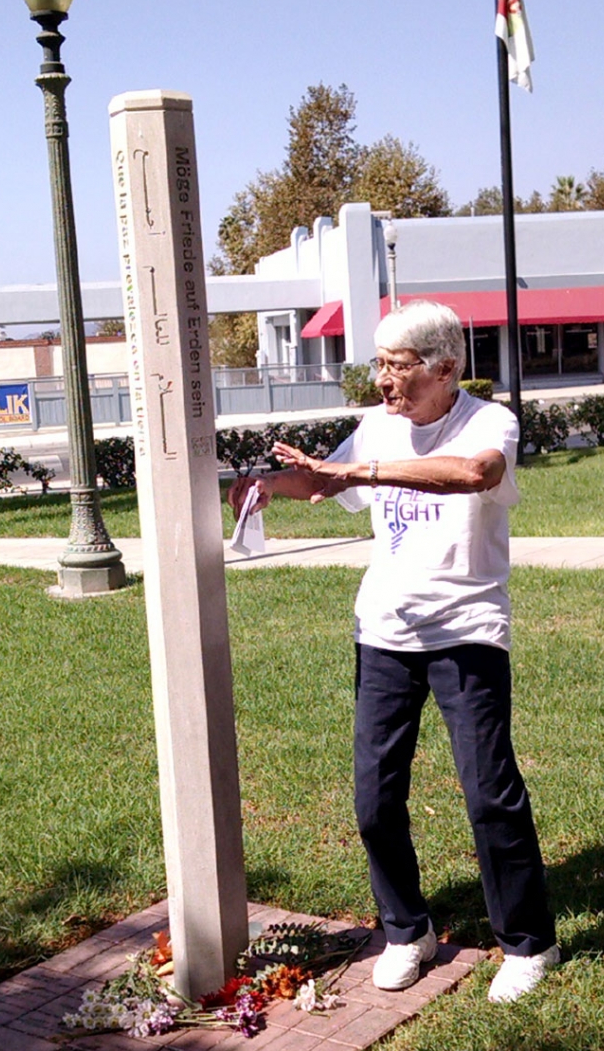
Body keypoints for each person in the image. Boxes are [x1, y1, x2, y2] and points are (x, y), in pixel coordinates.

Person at [229, 300, 559, 1003]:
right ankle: (407, 929)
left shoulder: (488, 422)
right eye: (378, 363)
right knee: (375, 798)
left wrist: (364, 473)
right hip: (383, 631)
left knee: (488, 792)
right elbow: (327, 479)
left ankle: (530, 942)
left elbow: (473, 473)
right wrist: (266, 486)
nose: (383, 379)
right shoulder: (377, 426)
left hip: (466, 629)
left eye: (397, 365)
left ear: (445, 368)